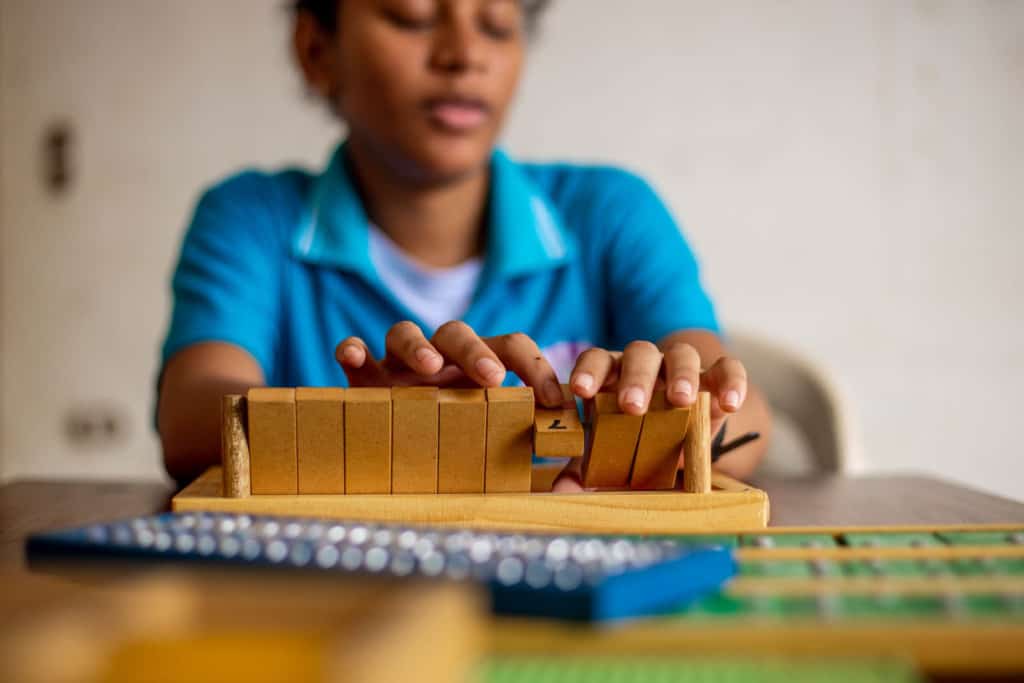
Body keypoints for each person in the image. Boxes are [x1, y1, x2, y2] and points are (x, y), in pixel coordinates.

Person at [157, 0, 772, 490]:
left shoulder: (612, 211)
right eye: (412, 16)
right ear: (317, 50)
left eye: (497, 24)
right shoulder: (249, 218)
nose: (464, 53)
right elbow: (191, 420)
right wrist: (374, 425)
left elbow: (743, 418)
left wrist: (688, 414)